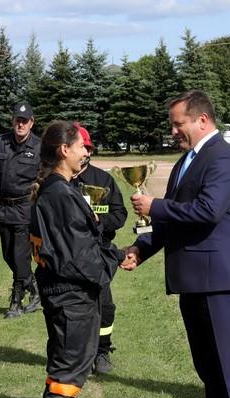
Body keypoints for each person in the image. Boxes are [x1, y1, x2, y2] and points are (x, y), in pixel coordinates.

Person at [123, 90, 230, 398]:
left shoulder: (224, 159)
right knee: (207, 364)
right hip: (192, 277)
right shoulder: (186, 161)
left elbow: (207, 211)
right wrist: (142, 249)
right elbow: (173, 221)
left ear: (202, 120)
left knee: (227, 363)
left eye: (178, 124)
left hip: (219, 277)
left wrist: (155, 206)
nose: (173, 131)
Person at [28, 121, 124, 398]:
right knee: (67, 370)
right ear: (64, 150)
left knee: (65, 367)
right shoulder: (60, 194)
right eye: (81, 145)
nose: (86, 151)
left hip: (67, 293)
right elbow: (80, 256)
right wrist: (117, 257)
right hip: (70, 297)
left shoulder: (59, 189)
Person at [0, 102, 41, 319]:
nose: (20, 124)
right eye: (17, 120)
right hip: (5, 208)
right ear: (13, 121)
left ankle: (16, 302)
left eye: (25, 121)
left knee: (20, 256)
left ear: (31, 123)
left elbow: (45, 178)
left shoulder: (39, 147)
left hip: (25, 209)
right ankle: (33, 286)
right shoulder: (1, 142)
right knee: (8, 255)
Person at [73, 124, 127, 374]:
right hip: (70, 255)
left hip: (99, 253)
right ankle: (76, 355)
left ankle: (102, 351)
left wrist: (100, 222)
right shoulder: (61, 181)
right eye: (80, 147)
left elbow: (120, 214)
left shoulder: (103, 180)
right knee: (74, 308)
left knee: (105, 307)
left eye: (87, 148)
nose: (84, 153)